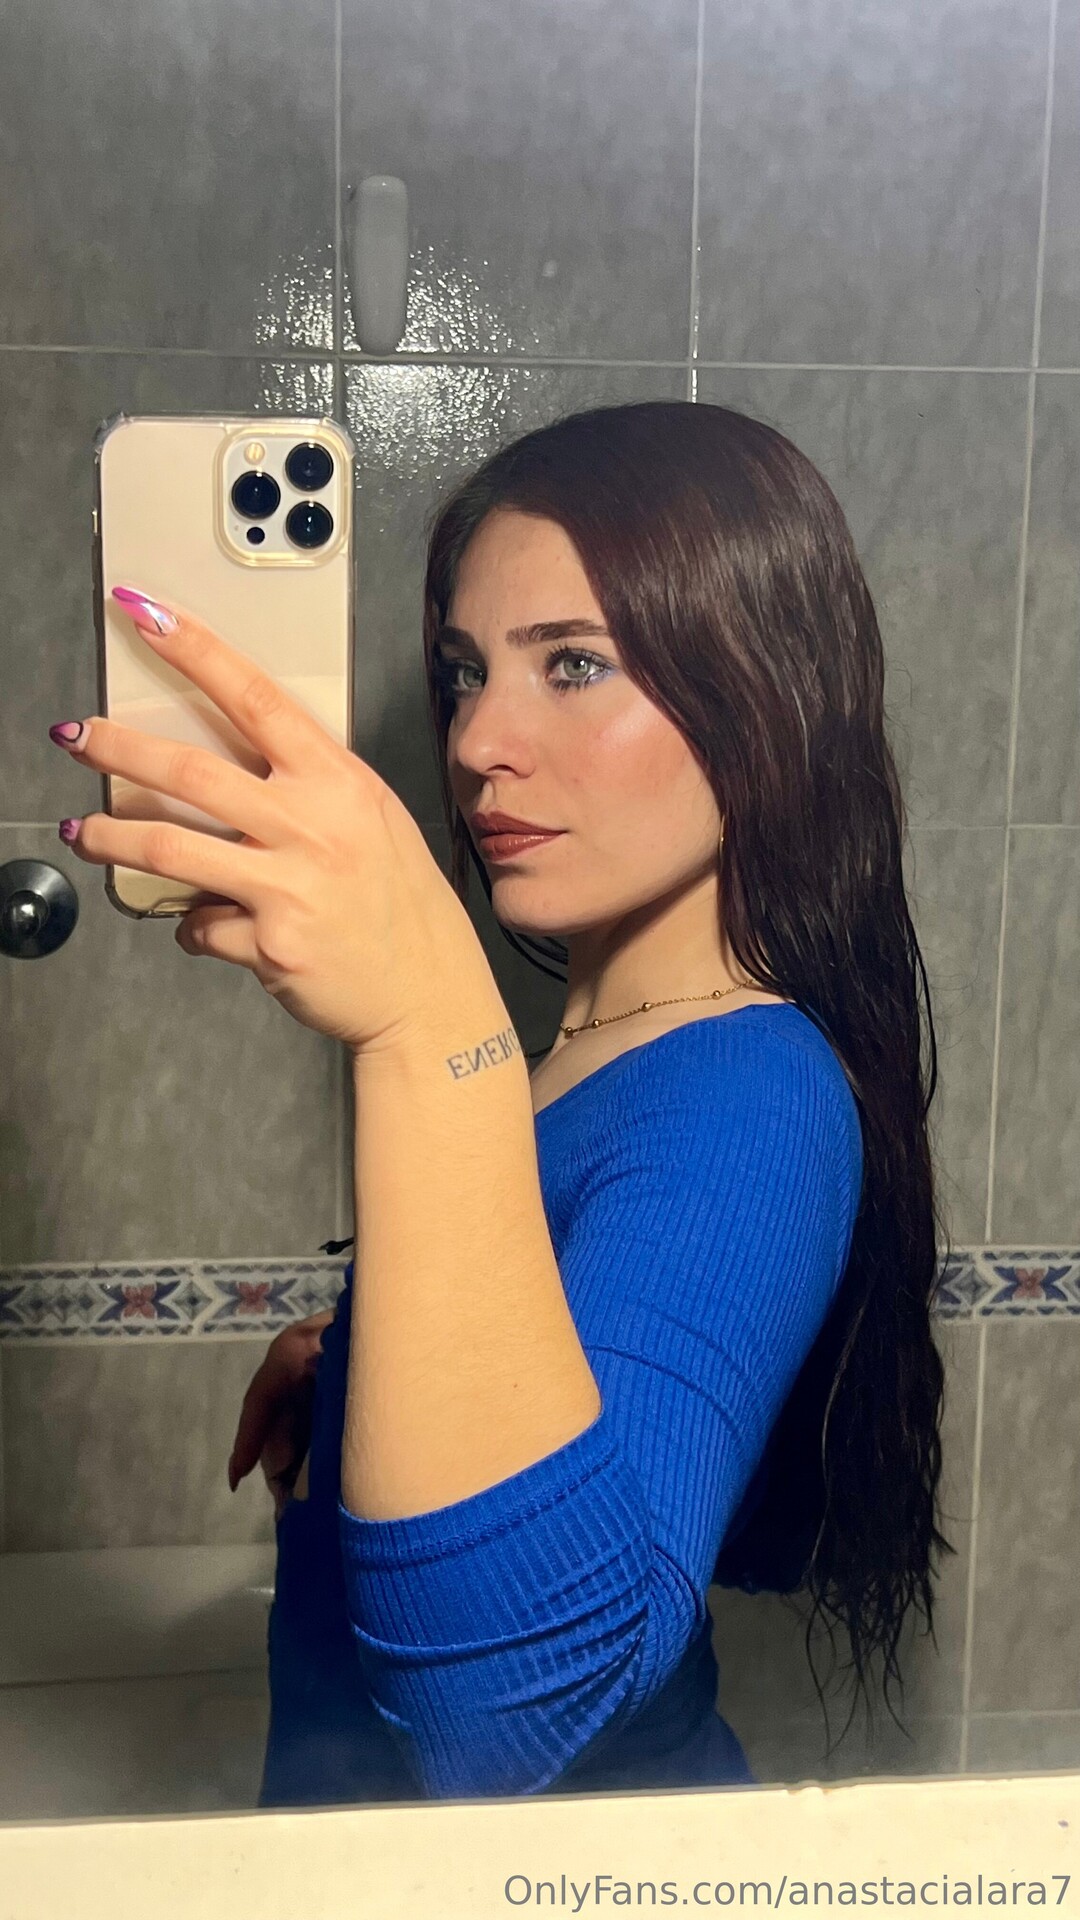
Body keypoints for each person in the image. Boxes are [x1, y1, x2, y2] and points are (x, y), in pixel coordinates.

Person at [227, 400, 954, 1806]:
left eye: (573, 664)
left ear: (764, 698)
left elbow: (514, 1717)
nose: (478, 742)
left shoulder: (750, 1091)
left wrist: (422, 1018)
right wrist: (365, 1363)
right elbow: (592, 1355)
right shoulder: (593, 1054)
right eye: (465, 673)